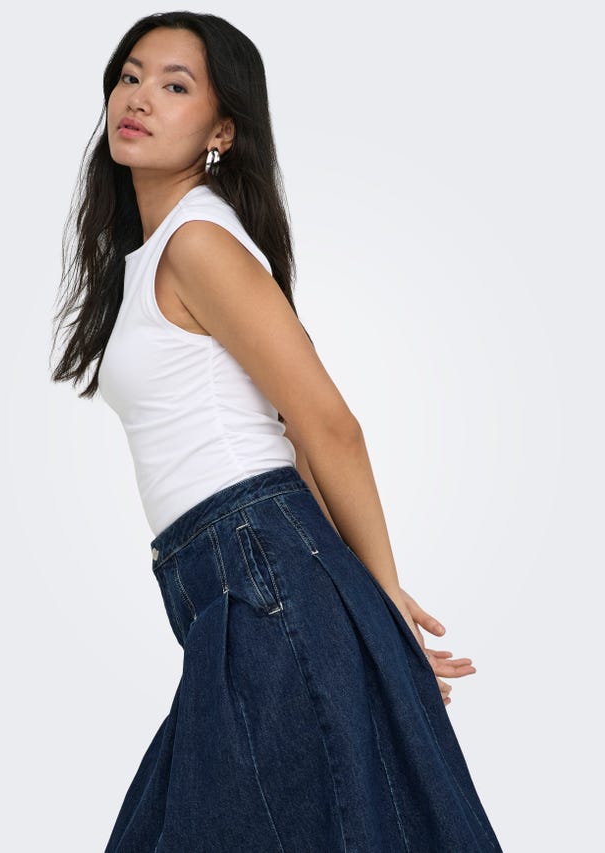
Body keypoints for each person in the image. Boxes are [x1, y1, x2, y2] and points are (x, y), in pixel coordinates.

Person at [50, 11, 503, 852]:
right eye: (130, 76)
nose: (139, 98)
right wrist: (355, 586)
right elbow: (288, 441)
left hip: (257, 569)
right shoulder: (152, 253)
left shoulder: (197, 241)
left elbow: (328, 423)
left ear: (222, 130)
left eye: (175, 85)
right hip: (241, 580)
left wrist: (382, 607)